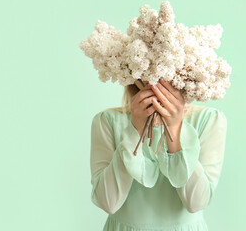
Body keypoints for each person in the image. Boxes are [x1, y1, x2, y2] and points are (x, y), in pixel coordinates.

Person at [90, 77, 228, 231]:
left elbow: (196, 203)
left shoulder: (208, 119)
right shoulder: (108, 121)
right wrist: (134, 131)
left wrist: (175, 129)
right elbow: (108, 202)